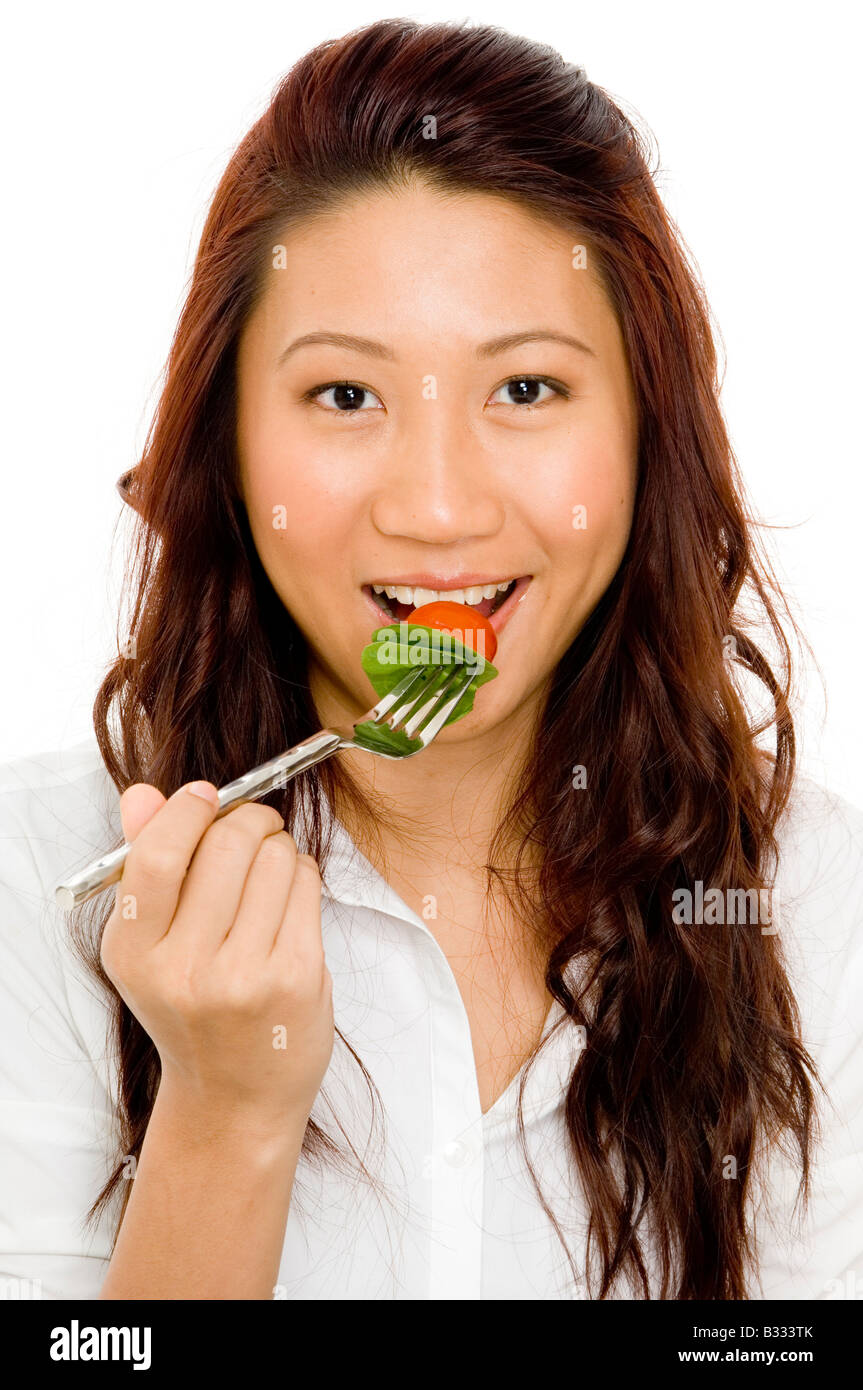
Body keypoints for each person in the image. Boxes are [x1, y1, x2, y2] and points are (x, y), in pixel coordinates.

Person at [1, 17, 861, 1301]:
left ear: (643, 442)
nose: (439, 506)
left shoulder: (809, 906)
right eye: (346, 396)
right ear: (226, 444)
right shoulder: (42, 889)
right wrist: (227, 1113)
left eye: (523, 390)